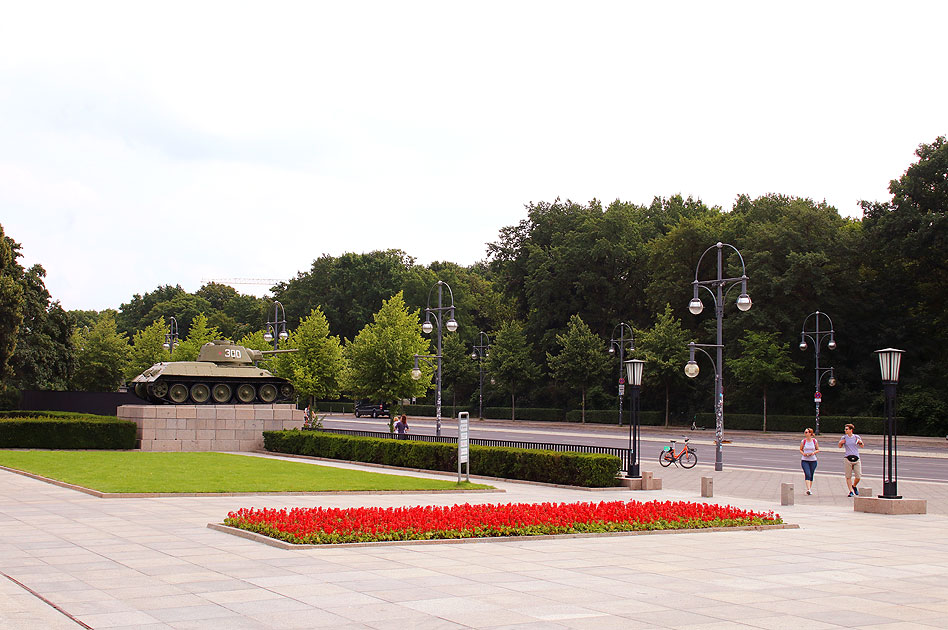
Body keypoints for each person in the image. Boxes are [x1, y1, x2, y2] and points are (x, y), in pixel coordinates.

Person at [838, 423, 864, 497]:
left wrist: (860, 442)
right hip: (847, 458)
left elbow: (862, 445)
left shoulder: (856, 437)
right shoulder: (844, 437)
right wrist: (840, 443)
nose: (845, 430)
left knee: (858, 476)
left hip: (856, 457)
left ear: (851, 430)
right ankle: (850, 491)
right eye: (845, 429)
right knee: (848, 476)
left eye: (846, 429)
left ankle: (854, 485)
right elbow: (839, 446)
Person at [799, 427, 820, 495]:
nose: (805, 433)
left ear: (810, 433)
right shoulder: (803, 441)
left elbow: (817, 449)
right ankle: (808, 489)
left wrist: (813, 453)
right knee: (807, 473)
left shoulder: (814, 441)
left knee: (811, 474)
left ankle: (809, 489)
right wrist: (804, 454)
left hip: (813, 460)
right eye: (805, 432)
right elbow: (800, 449)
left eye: (806, 432)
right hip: (805, 460)